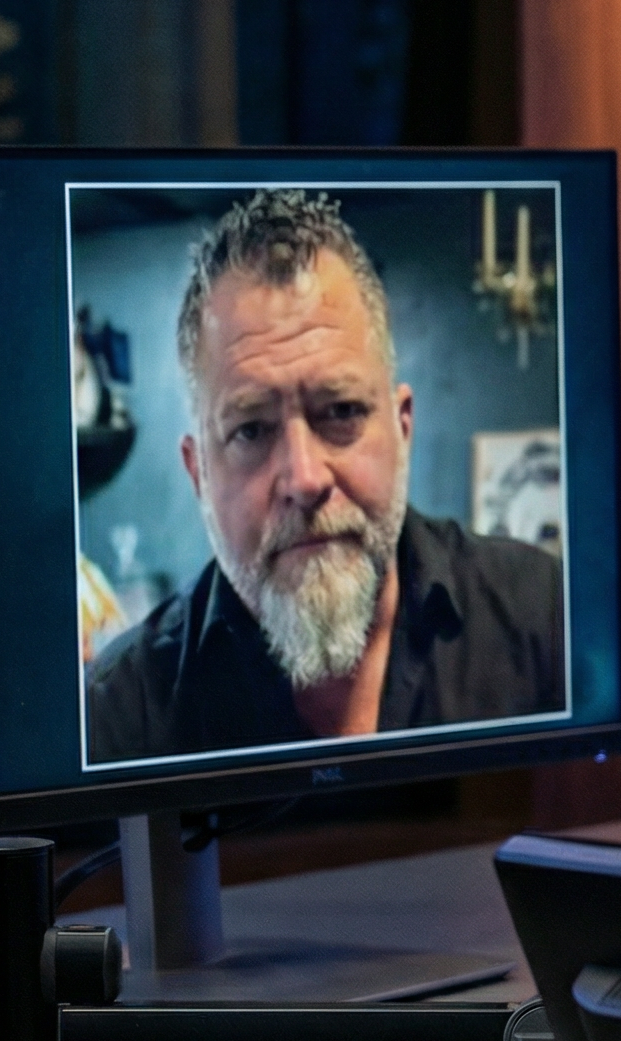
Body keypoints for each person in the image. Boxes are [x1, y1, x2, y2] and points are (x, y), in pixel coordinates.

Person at [85, 190, 565, 764]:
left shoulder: (544, 619)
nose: (305, 479)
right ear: (198, 474)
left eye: (340, 411)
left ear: (402, 429)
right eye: (252, 430)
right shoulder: (121, 715)